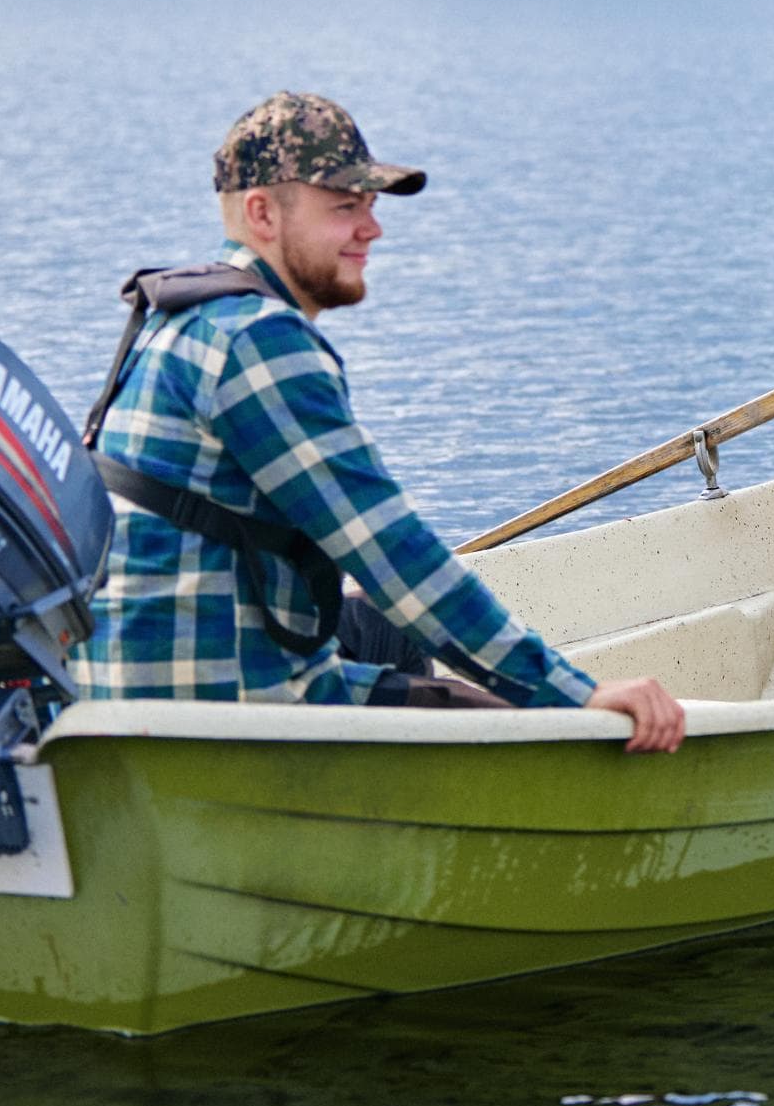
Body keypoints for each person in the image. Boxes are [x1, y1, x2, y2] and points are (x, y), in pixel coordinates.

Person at [78, 91, 685, 752]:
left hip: (121, 686)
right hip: (227, 709)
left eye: (370, 205)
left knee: (381, 628)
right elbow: (395, 554)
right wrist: (577, 696)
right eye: (344, 207)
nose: (373, 229)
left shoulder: (174, 315)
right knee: (523, 723)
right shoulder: (262, 341)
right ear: (261, 214)